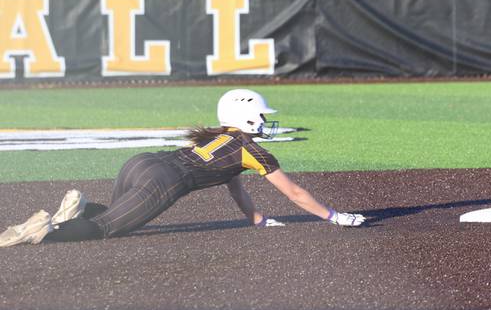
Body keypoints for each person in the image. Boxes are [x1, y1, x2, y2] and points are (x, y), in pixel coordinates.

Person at [0, 89, 365, 247]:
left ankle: (69, 214)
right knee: (105, 228)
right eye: (261, 115)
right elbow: (296, 193)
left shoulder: (217, 137)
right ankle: (42, 232)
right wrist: (334, 216)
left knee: (110, 213)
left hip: (143, 163)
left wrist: (256, 218)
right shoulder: (250, 150)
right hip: (163, 180)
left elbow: (233, 184)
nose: (265, 122)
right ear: (247, 117)